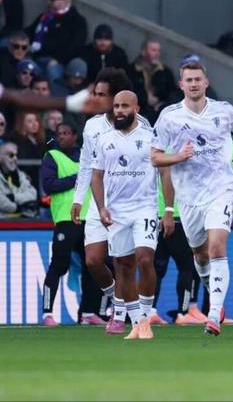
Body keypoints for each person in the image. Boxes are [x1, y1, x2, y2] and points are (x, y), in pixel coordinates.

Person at [151, 61, 233, 336]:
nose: (193, 84)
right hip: (188, 197)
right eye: (189, 80)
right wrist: (179, 156)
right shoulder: (169, 116)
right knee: (201, 255)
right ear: (181, 84)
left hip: (220, 190)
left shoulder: (224, 111)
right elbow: (155, 157)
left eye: (198, 79)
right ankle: (211, 290)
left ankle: (214, 313)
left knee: (217, 247)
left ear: (206, 82)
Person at [71, 67, 147, 335]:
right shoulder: (92, 126)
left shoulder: (141, 125)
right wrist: (78, 198)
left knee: (121, 261)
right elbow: (86, 165)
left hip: (127, 203)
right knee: (93, 260)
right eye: (96, 93)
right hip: (98, 201)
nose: (97, 98)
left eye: (102, 94)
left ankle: (121, 314)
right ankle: (117, 299)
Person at [91, 90, 159, 340]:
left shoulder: (151, 137)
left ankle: (146, 317)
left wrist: (168, 209)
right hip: (117, 212)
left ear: (136, 109)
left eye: (124, 106)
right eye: (116, 106)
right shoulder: (104, 139)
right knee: (124, 266)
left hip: (145, 207)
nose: (119, 111)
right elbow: (96, 176)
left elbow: (165, 173)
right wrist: (101, 207)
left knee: (145, 259)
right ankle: (137, 322)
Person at [40, 122, 103, 326]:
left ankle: (87, 312)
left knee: (93, 265)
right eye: (59, 134)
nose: (62, 137)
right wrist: (79, 178)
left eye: (66, 133)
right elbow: (49, 185)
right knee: (59, 265)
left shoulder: (87, 157)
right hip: (66, 219)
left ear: (75, 136)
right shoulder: (52, 156)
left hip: (89, 219)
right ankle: (47, 313)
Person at [152, 170, 208, 326]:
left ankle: (150, 311)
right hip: (178, 215)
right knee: (188, 265)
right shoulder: (177, 157)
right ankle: (183, 312)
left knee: (156, 267)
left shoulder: (153, 156)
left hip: (154, 214)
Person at [26, 0, 87, 83]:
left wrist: (58, 59)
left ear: (67, 1)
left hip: (59, 62)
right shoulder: (44, 17)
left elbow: (76, 44)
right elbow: (29, 32)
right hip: (35, 57)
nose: (52, 2)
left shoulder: (76, 20)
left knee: (53, 72)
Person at [129, 39, 175, 124]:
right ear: (143, 52)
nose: (157, 54)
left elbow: (172, 93)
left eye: (158, 51)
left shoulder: (165, 72)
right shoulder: (131, 70)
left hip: (159, 115)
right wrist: (146, 99)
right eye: (153, 50)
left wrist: (160, 104)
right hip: (137, 114)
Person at [9, 110, 46, 191]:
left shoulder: (40, 140)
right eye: (30, 121)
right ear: (22, 124)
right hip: (27, 182)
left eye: (36, 120)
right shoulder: (17, 141)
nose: (34, 124)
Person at [0, 141, 37, 217]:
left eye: (16, 155)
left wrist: (13, 197)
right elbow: (2, 203)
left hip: (25, 219)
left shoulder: (22, 175)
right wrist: (21, 208)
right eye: (11, 155)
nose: (15, 158)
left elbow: (33, 195)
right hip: (3, 221)